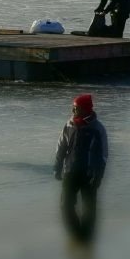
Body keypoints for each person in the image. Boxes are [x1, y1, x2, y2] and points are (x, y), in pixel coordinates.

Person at [53, 94, 108, 246]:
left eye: (76, 108)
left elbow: (103, 155)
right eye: (73, 107)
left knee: (89, 208)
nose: (73, 110)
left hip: (89, 175)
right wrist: (57, 167)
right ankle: (77, 235)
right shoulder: (69, 125)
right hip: (70, 172)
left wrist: (99, 176)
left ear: (86, 109)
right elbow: (61, 147)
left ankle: (86, 237)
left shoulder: (97, 128)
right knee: (65, 206)